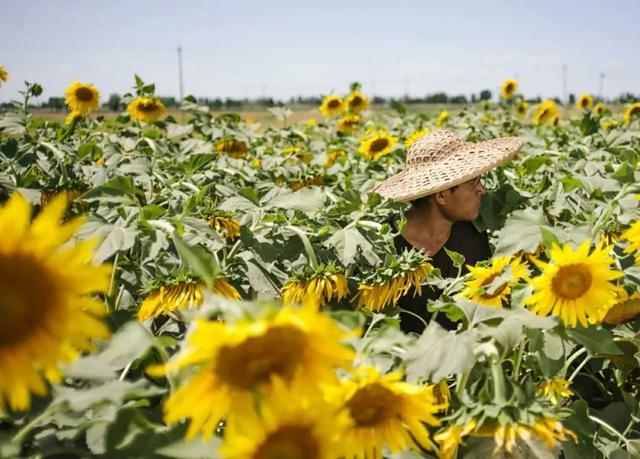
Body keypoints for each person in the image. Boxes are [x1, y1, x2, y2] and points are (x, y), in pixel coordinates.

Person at [373, 129, 523, 334]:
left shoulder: (473, 236)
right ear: (442, 196)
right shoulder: (382, 247)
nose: (482, 190)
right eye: (473, 183)